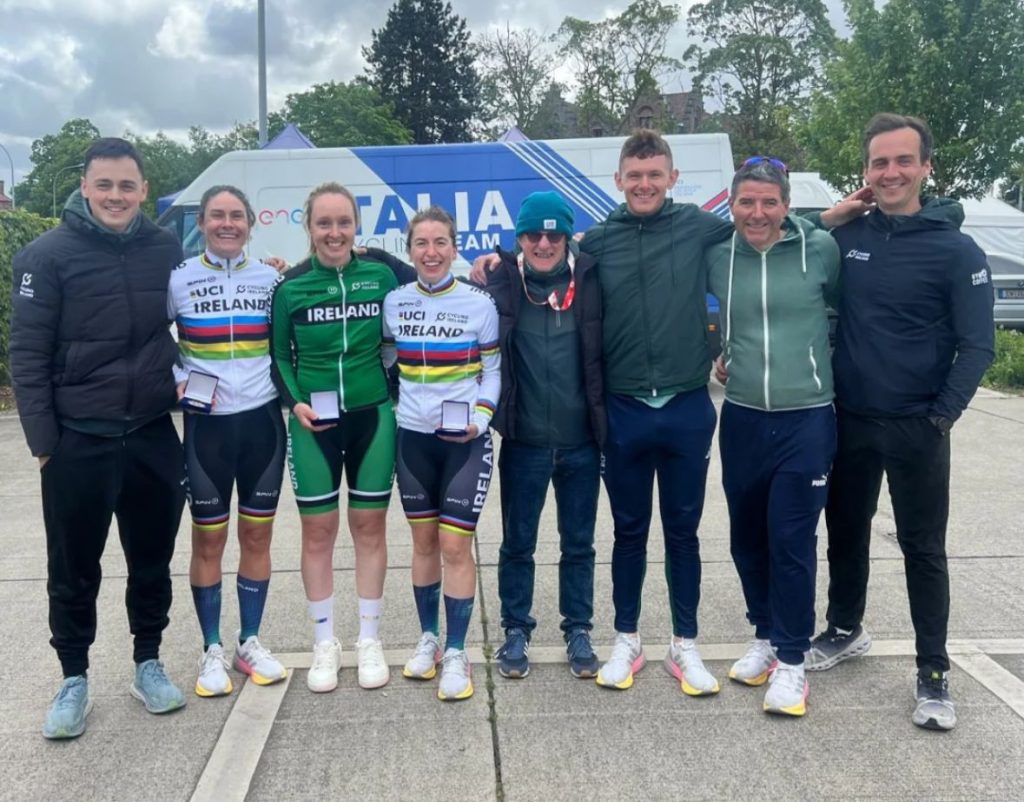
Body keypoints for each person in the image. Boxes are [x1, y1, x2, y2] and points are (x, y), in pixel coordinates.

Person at [805, 113, 994, 731]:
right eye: (879, 162)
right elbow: (783, 239)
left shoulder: (956, 248)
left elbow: (979, 345)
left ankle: (933, 672)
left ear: (925, 168)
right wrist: (834, 215)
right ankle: (843, 628)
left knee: (922, 549)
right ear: (865, 171)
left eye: (902, 161)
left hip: (919, 427)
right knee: (847, 534)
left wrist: (942, 417)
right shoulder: (848, 238)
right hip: (851, 418)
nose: (890, 172)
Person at [10, 137, 187, 738]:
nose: (116, 195)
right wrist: (43, 441)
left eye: (127, 185)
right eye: (104, 184)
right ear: (84, 186)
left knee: (152, 562)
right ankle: (73, 677)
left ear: (142, 189)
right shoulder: (45, 255)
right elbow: (27, 354)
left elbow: (209, 300)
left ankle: (148, 662)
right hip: (76, 439)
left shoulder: (166, 249)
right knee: (73, 566)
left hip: (151, 435)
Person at [269, 182, 414, 693]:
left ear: (357, 226)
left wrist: (490, 269)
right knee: (319, 533)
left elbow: (433, 286)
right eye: (324, 223)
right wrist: (296, 403)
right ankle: (324, 642)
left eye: (343, 222)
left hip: (374, 415)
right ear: (308, 227)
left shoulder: (381, 276)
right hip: (314, 425)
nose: (334, 232)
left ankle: (369, 639)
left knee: (370, 528)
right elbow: (280, 355)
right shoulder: (288, 287)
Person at [707, 158, 840, 716]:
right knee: (746, 538)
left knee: (791, 540)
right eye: (746, 202)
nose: (757, 213)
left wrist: (823, 219)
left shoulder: (820, 251)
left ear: (787, 205)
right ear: (732, 206)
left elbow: (847, 309)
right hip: (740, 416)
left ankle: (791, 660)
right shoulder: (718, 257)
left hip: (806, 417)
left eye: (769, 202)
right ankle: (763, 634)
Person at [167, 185, 288, 697]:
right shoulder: (178, 279)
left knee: (257, 537)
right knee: (209, 539)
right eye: (217, 215)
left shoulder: (271, 278)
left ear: (250, 223)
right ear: (203, 222)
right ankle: (211, 647)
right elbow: (152, 339)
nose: (227, 224)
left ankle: (250, 641)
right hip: (207, 428)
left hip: (262, 424)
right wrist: (175, 378)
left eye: (236, 216)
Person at [479, 191, 605, 680]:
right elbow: (427, 273)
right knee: (518, 542)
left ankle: (578, 628)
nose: (544, 243)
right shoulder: (502, 283)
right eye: (534, 234)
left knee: (579, 543)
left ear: (568, 237)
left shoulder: (592, 280)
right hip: (525, 441)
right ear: (520, 239)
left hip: (580, 440)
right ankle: (516, 628)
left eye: (554, 234)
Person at [381, 206, 500, 701]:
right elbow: (385, 359)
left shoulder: (479, 303)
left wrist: (482, 417)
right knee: (424, 544)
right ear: (409, 251)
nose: (431, 253)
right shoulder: (394, 302)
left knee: (455, 546)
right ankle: (428, 638)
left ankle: (456, 651)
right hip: (413, 438)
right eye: (421, 244)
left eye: (440, 243)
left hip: (465, 440)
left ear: (454, 247)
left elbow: (493, 371)